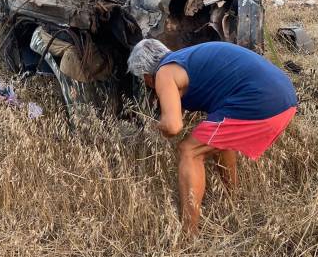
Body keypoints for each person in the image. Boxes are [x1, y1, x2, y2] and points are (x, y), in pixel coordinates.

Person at [127, 39, 298, 237]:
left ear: (146, 76)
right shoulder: (185, 59)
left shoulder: (164, 72)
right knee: (219, 140)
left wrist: (158, 126)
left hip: (262, 100)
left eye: (143, 79)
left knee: (189, 151)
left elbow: (173, 127)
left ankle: (188, 236)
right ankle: (233, 201)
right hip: (284, 98)